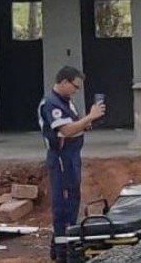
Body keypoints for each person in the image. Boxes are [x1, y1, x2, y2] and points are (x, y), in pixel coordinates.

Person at [37, 66, 105, 262]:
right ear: (64, 82)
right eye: (75, 86)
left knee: (73, 198)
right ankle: (63, 250)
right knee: (63, 203)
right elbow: (66, 130)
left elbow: (75, 126)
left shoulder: (66, 102)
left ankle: (67, 242)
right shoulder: (52, 103)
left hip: (72, 156)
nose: (76, 90)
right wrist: (90, 116)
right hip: (61, 158)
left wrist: (89, 122)